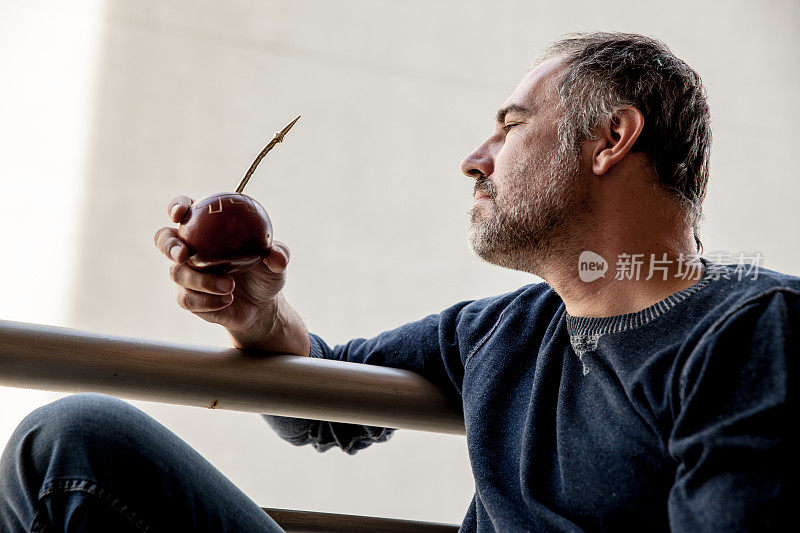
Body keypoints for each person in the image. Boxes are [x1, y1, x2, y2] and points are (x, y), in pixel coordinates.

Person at [0, 31, 792, 532]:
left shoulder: (750, 329)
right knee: (71, 440)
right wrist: (256, 314)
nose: (475, 157)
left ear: (611, 138)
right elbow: (325, 404)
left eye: (512, 125)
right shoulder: (504, 330)